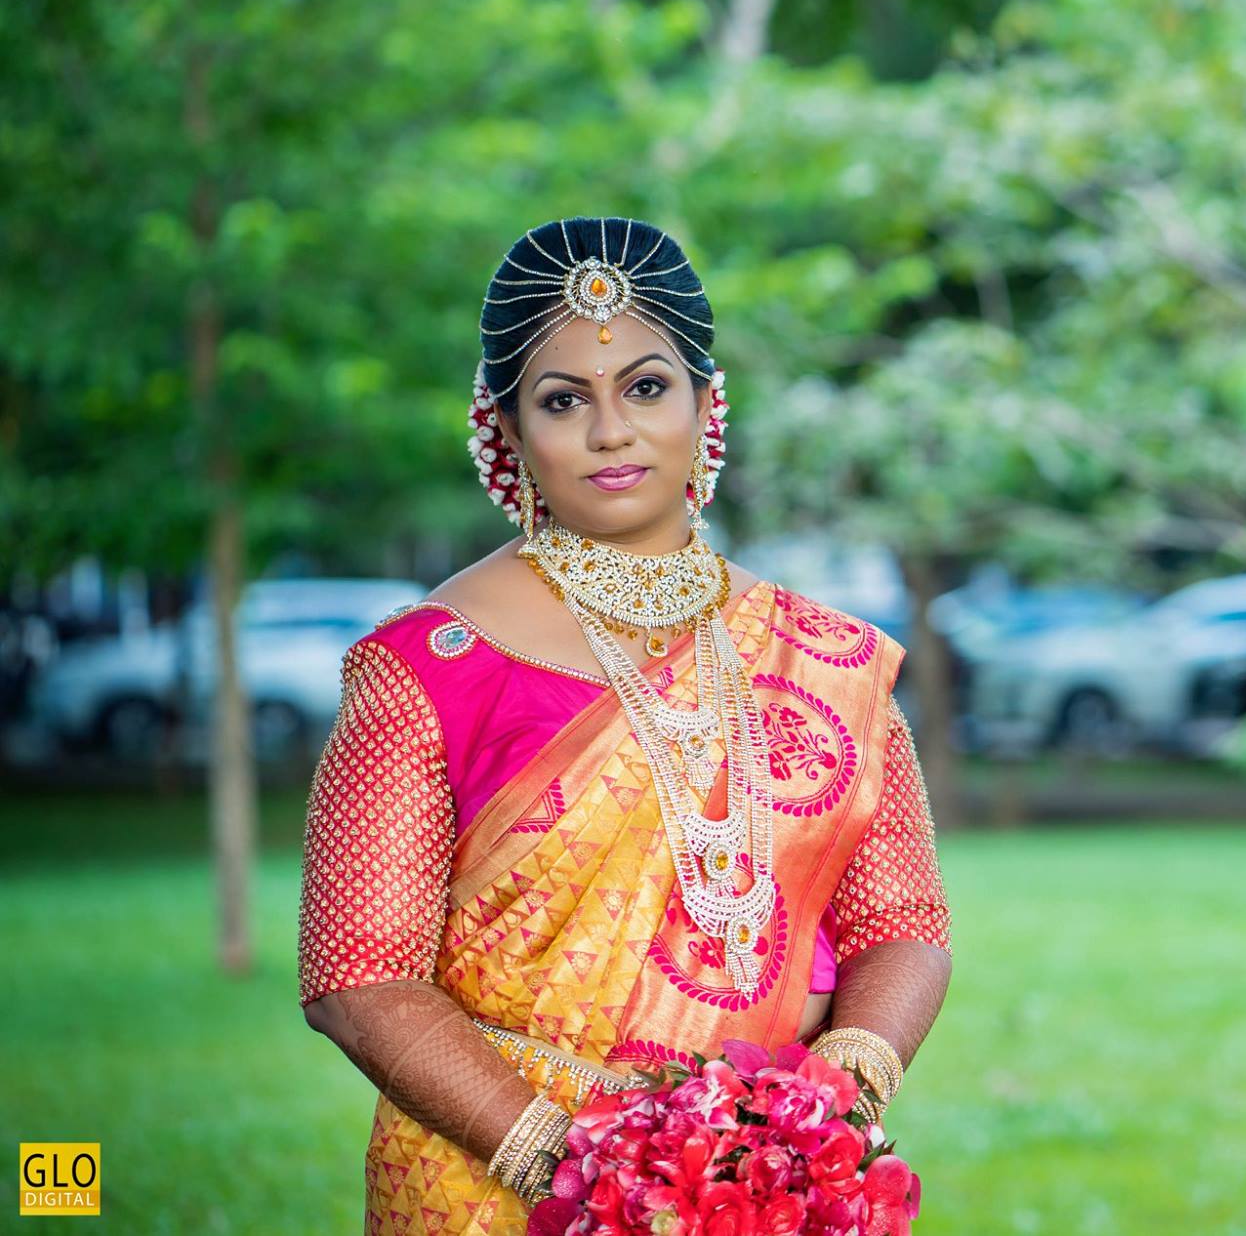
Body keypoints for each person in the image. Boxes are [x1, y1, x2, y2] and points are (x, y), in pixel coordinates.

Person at [295, 216, 954, 1233]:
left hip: (760, 1190)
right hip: (491, 1189)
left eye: (646, 387)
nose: (612, 431)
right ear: (505, 430)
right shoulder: (424, 672)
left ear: (705, 402)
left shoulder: (829, 660)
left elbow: (900, 930)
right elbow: (359, 978)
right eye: (564, 401)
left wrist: (833, 1095)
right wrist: (582, 1168)